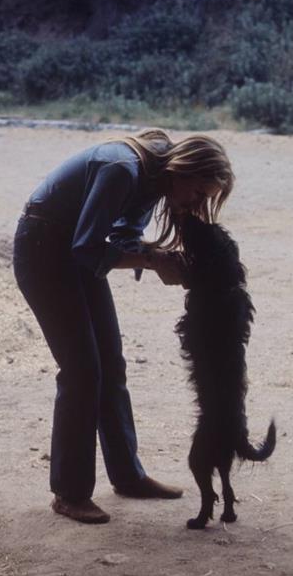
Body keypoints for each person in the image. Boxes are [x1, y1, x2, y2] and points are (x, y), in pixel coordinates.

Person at [13, 128, 234, 524]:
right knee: (82, 371)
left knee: (111, 364)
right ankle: (70, 492)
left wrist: (155, 254)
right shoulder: (123, 169)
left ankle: (128, 475)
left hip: (74, 251)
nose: (197, 205)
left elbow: (123, 236)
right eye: (199, 193)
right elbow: (86, 246)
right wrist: (152, 261)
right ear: (184, 170)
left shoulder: (156, 178)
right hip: (43, 249)